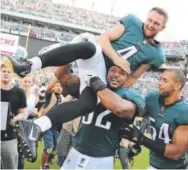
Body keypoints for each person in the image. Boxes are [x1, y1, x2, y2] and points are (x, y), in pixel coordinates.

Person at [5, 7, 168, 160]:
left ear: (163, 28)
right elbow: (104, 38)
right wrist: (117, 58)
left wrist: (114, 88)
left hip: (105, 78)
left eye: (157, 23)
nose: (151, 25)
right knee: (90, 47)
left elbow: (133, 78)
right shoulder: (132, 21)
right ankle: (29, 64)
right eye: (150, 20)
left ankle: (36, 127)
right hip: (99, 57)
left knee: (87, 104)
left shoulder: (157, 54)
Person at [61, 65, 145, 169]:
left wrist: (95, 82)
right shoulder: (90, 88)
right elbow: (63, 79)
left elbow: (120, 108)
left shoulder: (130, 94)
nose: (116, 75)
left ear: (127, 78)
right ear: (106, 72)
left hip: (102, 156)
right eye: (113, 70)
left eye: (122, 73)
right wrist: (69, 56)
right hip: (77, 149)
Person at [121, 68, 188, 169]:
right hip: (153, 164)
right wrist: (134, 140)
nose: (159, 83)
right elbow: (141, 118)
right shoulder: (152, 98)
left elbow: (176, 153)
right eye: (160, 79)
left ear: (177, 86)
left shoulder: (184, 112)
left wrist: (142, 139)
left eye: (165, 80)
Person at [0, 64, 27, 169]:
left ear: (13, 75)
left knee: (10, 166)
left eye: (8, 72)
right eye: (3, 71)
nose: (6, 74)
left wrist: (15, 119)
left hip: (10, 136)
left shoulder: (19, 92)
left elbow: (22, 112)